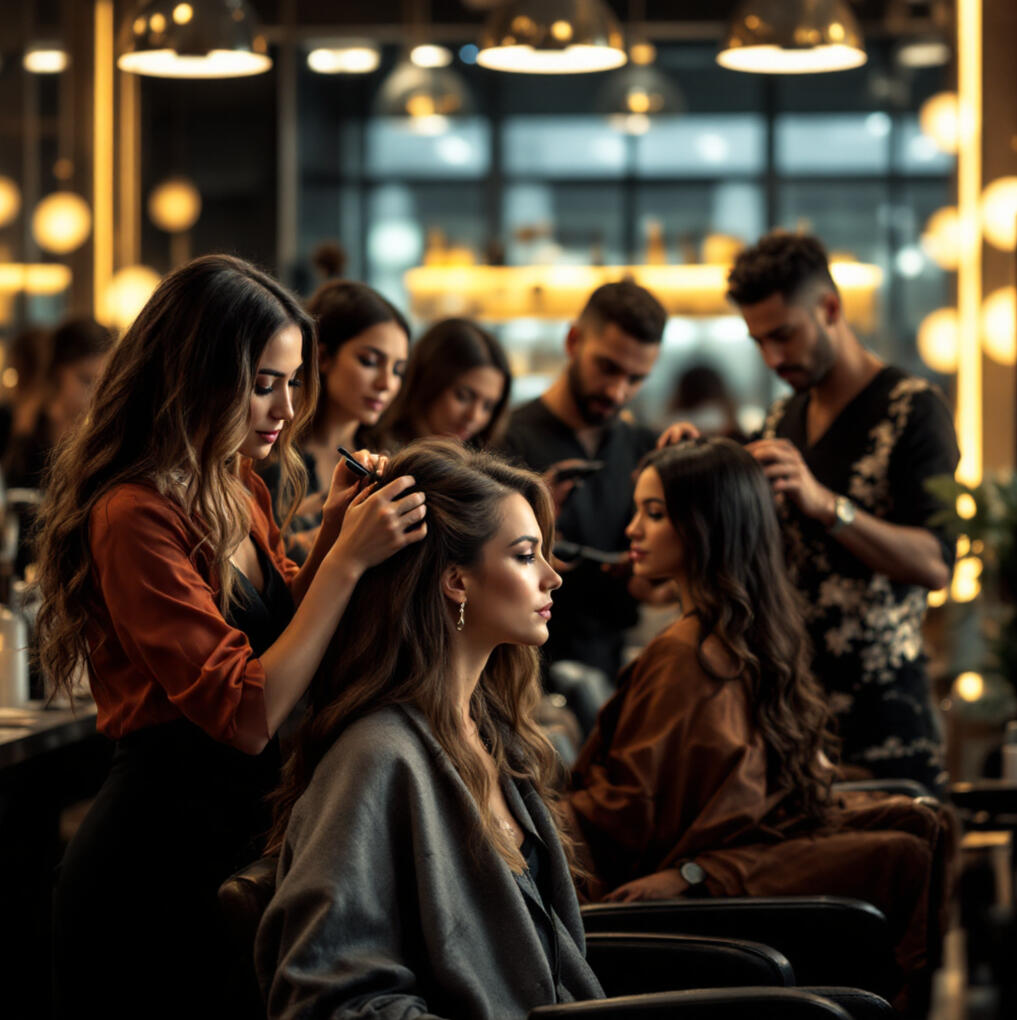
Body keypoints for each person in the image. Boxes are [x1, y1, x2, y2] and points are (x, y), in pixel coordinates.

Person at [35, 255, 428, 1019]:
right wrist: (346, 560)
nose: (285, 408)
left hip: (241, 839)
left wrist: (335, 533)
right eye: (262, 383)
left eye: (291, 381)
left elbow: (279, 633)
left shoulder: (235, 483)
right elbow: (247, 713)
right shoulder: (132, 514)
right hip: (154, 860)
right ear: (193, 376)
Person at [569, 439, 955, 1012]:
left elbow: (660, 803)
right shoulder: (687, 652)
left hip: (730, 851)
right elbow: (631, 819)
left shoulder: (720, 641)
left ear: (708, 526)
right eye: (638, 511)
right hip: (675, 883)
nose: (632, 530)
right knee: (910, 854)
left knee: (927, 824)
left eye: (654, 513)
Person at [257, 439, 604, 1019]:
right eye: (524, 556)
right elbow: (325, 1000)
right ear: (456, 582)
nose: (552, 578)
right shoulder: (375, 758)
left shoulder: (486, 731)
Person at [727, 232, 959, 791]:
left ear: (830, 308)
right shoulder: (782, 418)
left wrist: (829, 506)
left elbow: (934, 562)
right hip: (793, 717)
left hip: (886, 721)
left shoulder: (913, 410)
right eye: (759, 342)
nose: (773, 358)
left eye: (784, 335)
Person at [499, 280, 666, 681]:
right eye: (607, 367)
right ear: (573, 340)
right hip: (520, 672)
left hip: (611, 667)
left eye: (635, 378)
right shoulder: (506, 441)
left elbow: (655, 586)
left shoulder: (641, 447)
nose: (617, 391)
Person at [259, 279, 409, 557]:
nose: (387, 383)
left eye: (398, 370)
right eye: (370, 361)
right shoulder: (267, 455)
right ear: (324, 356)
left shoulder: (387, 460)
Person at [4, 316, 114, 489]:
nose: (95, 394)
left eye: (103, 383)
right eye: (86, 380)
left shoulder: (104, 435)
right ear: (57, 372)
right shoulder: (27, 429)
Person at [370, 317, 511, 450]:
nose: (474, 416)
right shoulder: (372, 455)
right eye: (463, 396)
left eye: (488, 406)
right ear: (429, 380)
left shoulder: (471, 467)